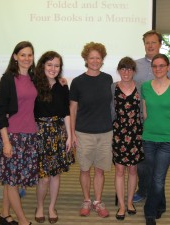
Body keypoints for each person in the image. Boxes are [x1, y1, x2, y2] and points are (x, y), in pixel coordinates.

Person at [133, 30, 170, 203]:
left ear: (160, 44)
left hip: (161, 122)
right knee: (142, 163)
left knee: (159, 166)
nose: (150, 45)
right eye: (147, 42)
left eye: (153, 42)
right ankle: (143, 190)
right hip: (138, 120)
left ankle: (156, 192)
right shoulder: (136, 65)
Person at [0, 41, 38, 225]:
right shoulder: (8, 79)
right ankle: (22, 221)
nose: (26, 58)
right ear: (15, 57)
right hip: (12, 136)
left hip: (29, 136)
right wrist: (5, 142)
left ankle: (4, 214)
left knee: (11, 179)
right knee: (12, 181)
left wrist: (60, 80)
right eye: (22, 55)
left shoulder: (35, 78)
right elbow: (0, 112)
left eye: (29, 55)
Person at [69, 42, 113, 218]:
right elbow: (72, 109)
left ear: (102, 60)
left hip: (105, 132)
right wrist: (72, 134)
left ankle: (98, 201)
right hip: (83, 132)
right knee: (85, 169)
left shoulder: (108, 79)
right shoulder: (77, 82)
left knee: (100, 170)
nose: (95, 60)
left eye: (98, 57)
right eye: (91, 57)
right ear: (86, 59)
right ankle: (87, 200)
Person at [34, 51, 74, 224]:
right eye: (49, 65)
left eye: (57, 65)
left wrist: (70, 136)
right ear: (42, 65)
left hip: (58, 133)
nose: (53, 68)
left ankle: (51, 207)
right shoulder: (33, 84)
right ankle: (40, 206)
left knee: (55, 175)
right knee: (43, 176)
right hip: (39, 133)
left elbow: (66, 113)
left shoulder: (63, 86)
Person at [142, 54, 170, 225]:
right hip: (149, 137)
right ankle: (161, 204)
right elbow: (144, 113)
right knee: (154, 175)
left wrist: (168, 129)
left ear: (168, 67)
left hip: (167, 139)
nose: (158, 69)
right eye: (155, 66)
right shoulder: (145, 87)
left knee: (158, 177)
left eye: (161, 66)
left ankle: (149, 212)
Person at [111, 57, 144, 220]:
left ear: (134, 71)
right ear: (119, 70)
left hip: (136, 133)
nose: (126, 72)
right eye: (123, 69)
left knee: (132, 170)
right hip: (118, 133)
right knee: (119, 170)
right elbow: (110, 111)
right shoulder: (113, 87)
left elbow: (143, 111)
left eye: (129, 69)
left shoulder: (140, 87)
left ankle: (130, 202)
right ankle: (122, 206)